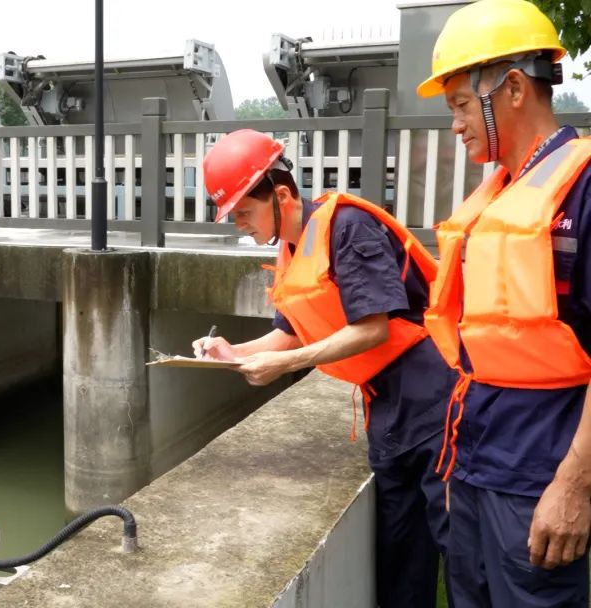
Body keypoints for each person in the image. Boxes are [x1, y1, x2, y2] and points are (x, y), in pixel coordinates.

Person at [193, 129, 456, 607]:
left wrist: (287, 364)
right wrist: (232, 353)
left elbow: (373, 327)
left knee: (458, 547)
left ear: (281, 194)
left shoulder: (347, 227)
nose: (240, 226)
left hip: (434, 400)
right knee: (400, 553)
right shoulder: (292, 247)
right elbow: (289, 332)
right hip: (388, 409)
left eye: (244, 213)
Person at [416, 0, 591, 605]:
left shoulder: (583, 191)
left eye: (462, 105)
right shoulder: (499, 192)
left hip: (536, 473)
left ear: (513, 87)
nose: (456, 124)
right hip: (474, 460)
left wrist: (574, 484)